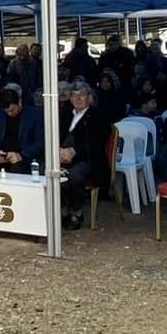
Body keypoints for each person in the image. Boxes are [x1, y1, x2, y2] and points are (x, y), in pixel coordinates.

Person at [57, 80, 109, 229]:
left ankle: (76, 212)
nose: (78, 98)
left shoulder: (98, 116)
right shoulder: (64, 115)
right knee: (45, 170)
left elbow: (97, 143)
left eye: (82, 95)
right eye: (74, 95)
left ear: (89, 97)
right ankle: (62, 209)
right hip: (62, 157)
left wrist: (74, 151)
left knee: (74, 174)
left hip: (89, 159)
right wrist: (58, 151)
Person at [0, 84, 42, 168]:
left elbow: (40, 143)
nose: (9, 114)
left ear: (19, 102)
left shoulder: (35, 115)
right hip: (3, 155)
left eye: (12, 110)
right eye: (7, 111)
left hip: (25, 157)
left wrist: (20, 155)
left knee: (17, 168)